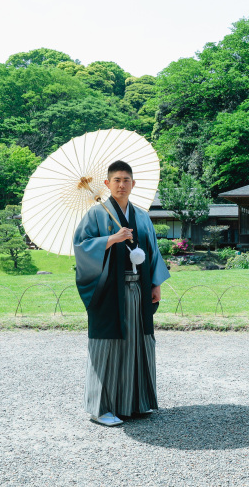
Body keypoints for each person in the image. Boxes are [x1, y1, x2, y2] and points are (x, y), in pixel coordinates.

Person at [73, 160, 170, 427]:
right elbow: (81, 248)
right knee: (107, 346)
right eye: (116, 180)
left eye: (126, 179)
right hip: (108, 291)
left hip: (138, 288)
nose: (121, 184)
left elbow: (151, 252)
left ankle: (135, 403)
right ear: (106, 184)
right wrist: (111, 239)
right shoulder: (95, 215)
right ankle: (101, 408)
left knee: (137, 343)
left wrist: (156, 283)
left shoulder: (141, 216)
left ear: (133, 184)